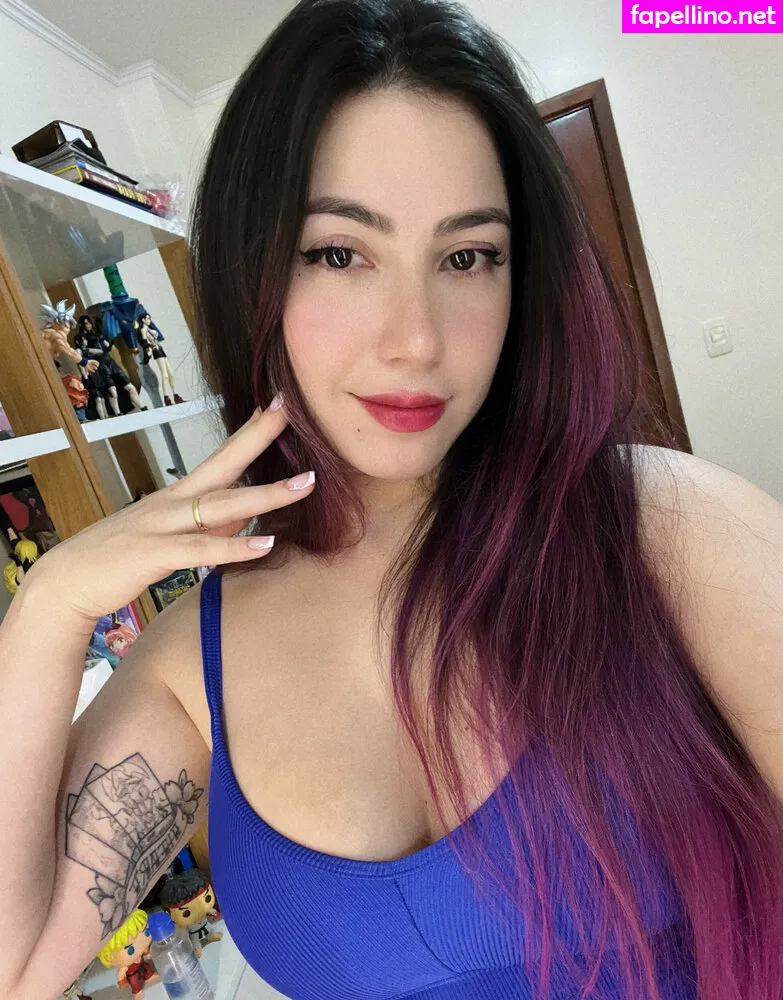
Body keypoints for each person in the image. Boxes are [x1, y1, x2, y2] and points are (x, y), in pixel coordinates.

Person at [1, 0, 781, 997]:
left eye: (467, 257)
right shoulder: (188, 665)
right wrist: (49, 604)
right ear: (252, 272)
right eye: (340, 253)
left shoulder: (665, 529)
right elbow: (17, 967)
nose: (415, 338)